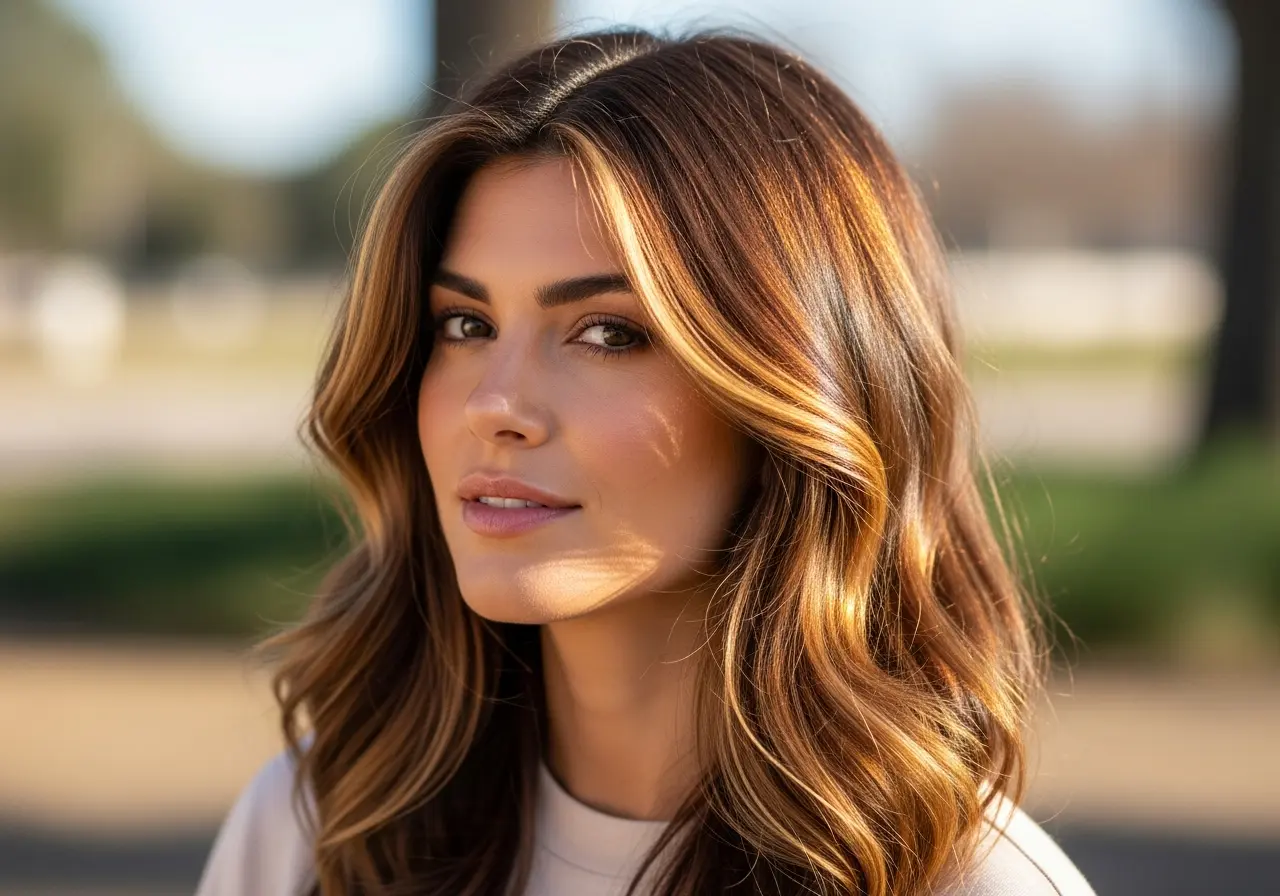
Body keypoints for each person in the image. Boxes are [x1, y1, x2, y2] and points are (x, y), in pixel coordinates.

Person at [195, 26, 1097, 896]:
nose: (493, 405)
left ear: (797, 394)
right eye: (465, 325)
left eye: (609, 333)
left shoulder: (972, 887)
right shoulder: (318, 833)